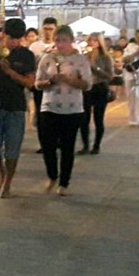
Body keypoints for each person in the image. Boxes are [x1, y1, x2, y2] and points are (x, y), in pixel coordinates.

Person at [0, 18, 36, 198]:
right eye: (10, 37)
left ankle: (8, 181)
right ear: (3, 34)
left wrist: (10, 72)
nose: (13, 42)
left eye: (17, 39)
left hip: (16, 107)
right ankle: (2, 171)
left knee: (12, 148)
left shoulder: (26, 55)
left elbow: (30, 83)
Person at [35, 25, 91, 196]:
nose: (60, 44)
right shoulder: (47, 58)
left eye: (64, 40)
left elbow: (87, 84)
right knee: (48, 146)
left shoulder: (80, 60)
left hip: (72, 109)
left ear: (71, 41)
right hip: (49, 107)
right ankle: (52, 175)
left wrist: (69, 80)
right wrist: (51, 81)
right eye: (57, 40)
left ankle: (64, 182)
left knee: (67, 147)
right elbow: (37, 83)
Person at [80, 33, 114, 155]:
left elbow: (110, 76)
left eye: (95, 41)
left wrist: (96, 68)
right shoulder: (84, 56)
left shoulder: (105, 57)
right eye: (91, 40)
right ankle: (85, 145)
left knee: (98, 119)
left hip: (100, 88)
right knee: (84, 119)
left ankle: (96, 145)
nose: (92, 43)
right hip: (87, 88)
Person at [29, 17, 58, 151]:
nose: (48, 32)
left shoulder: (61, 45)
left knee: (56, 114)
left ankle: (57, 140)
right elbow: (30, 65)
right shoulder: (35, 47)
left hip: (58, 87)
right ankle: (44, 144)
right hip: (40, 85)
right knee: (42, 116)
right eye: (45, 29)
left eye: (51, 29)